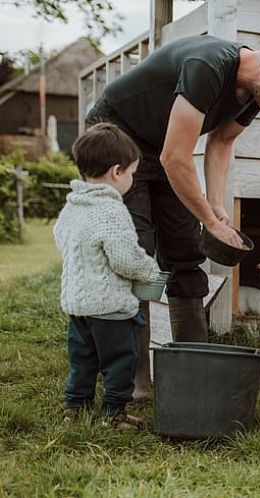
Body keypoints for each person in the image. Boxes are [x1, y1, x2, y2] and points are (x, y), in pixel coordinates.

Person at [85, 27, 260, 399]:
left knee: (185, 248)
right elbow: (175, 157)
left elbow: (221, 141)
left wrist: (215, 207)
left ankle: (190, 366)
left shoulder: (256, 95)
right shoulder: (207, 67)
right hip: (118, 136)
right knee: (135, 253)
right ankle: (135, 381)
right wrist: (210, 222)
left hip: (163, 146)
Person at [53, 123, 163, 429]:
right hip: (110, 308)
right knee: (121, 361)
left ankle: (76, 408)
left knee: (83, 360)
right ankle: (114, 414)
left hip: (78, 305)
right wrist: (150, 271)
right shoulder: (112, 211)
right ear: (117, 172)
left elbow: (60, 236)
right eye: (131, 173)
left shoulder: (73, 205)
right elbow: (126, 259)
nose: (131, 180)